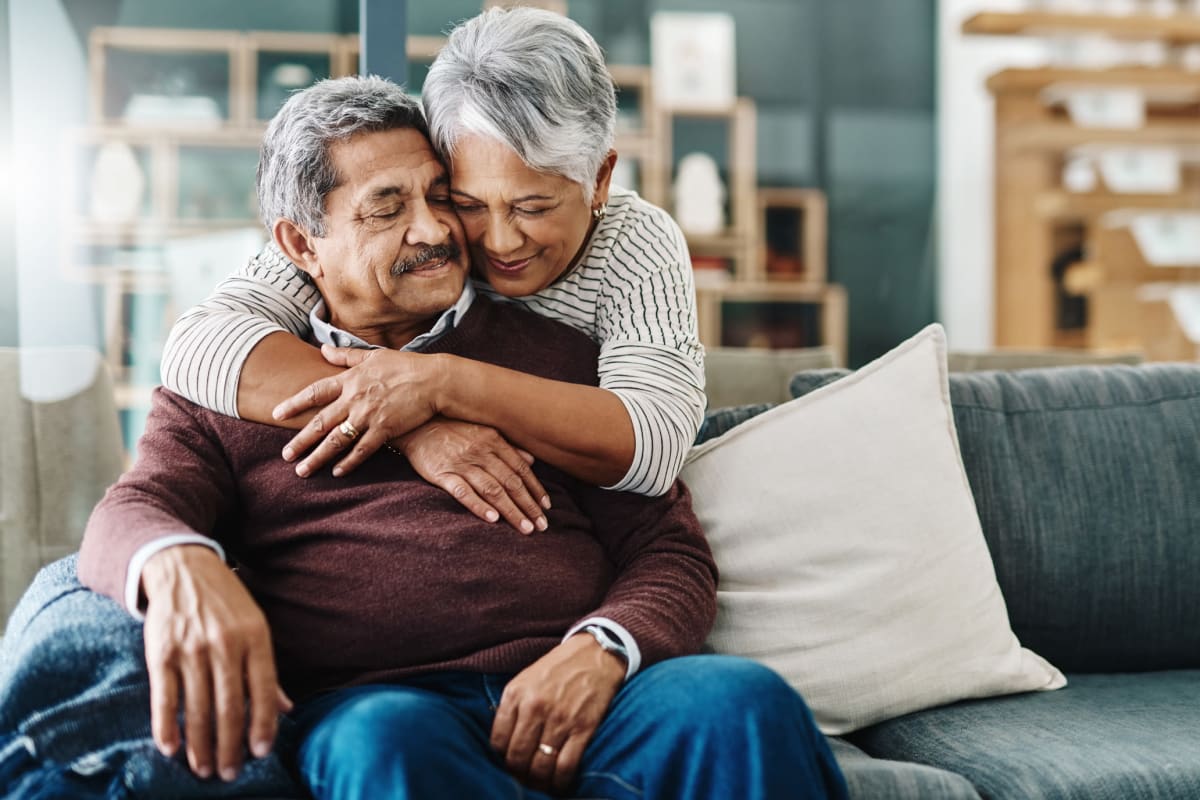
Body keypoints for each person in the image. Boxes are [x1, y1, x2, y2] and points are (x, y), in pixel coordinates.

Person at [74, 77, 847, 800]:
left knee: (739, 702)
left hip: (586, 694)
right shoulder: (229, 385)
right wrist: (177, 564)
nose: (435, 228)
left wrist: (604, 649)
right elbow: (128, 512)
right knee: (384, 741)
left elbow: (668, 549)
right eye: (386, 208)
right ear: (302, 246)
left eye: (440, 196)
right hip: (384, 705)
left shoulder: (556, 358)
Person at [159, 7, 706, 535]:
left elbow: (655, 446)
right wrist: (414, 422)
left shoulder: (634, 241)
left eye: (532, 207)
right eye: (465, 201)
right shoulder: (402, 234)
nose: (498, 241)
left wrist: (441, 382)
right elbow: (198, 347)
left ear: (601, 179)